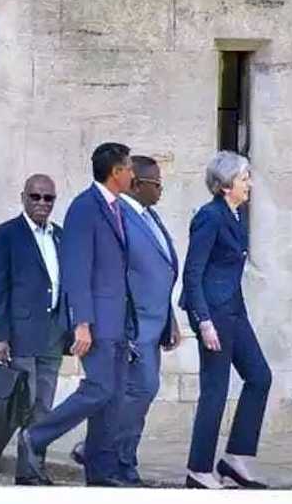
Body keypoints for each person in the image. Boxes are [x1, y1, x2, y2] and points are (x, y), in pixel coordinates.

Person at [17, 142, 137, 487]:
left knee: (111, 398)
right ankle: (37, 435)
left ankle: (100, 472)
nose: (132, 174)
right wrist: (81, 321)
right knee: (98, 389)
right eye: (128, 168)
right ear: (115, 172)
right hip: (96, 320)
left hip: (117, 319)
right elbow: (76, 268)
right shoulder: (85, 208)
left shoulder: (118, 208)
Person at [179, 150, 272, 489]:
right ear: (225, 185)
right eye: (244, 177)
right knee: (215, 390)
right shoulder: (210, 217)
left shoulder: (235, 214)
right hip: (214, 315)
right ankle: (198, 469)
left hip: (234, 310)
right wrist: (203, 322)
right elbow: (193, 273)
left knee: (260, 376)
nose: (249, 183)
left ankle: (235, 459)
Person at [0, 173, 67, 485]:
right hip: (20, 333)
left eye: (48, 198)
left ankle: (30, 471)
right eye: (35, 196)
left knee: (44, 407)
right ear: (23, 197)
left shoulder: (60, 236)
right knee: (21, 405)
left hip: (53, 333)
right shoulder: (6, 235)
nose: (42, 203)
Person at [112, 155, 182, 484]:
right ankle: (113, 456)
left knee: (141, 391)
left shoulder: (149, 215)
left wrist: (171, 318)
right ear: (137, 184)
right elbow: (118, 274)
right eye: (156, 184)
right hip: (133, 324)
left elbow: (161, 270)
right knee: (139, 389)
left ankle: (119, 458)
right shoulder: (120, 216)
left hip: (155, 323)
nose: (161, 191)